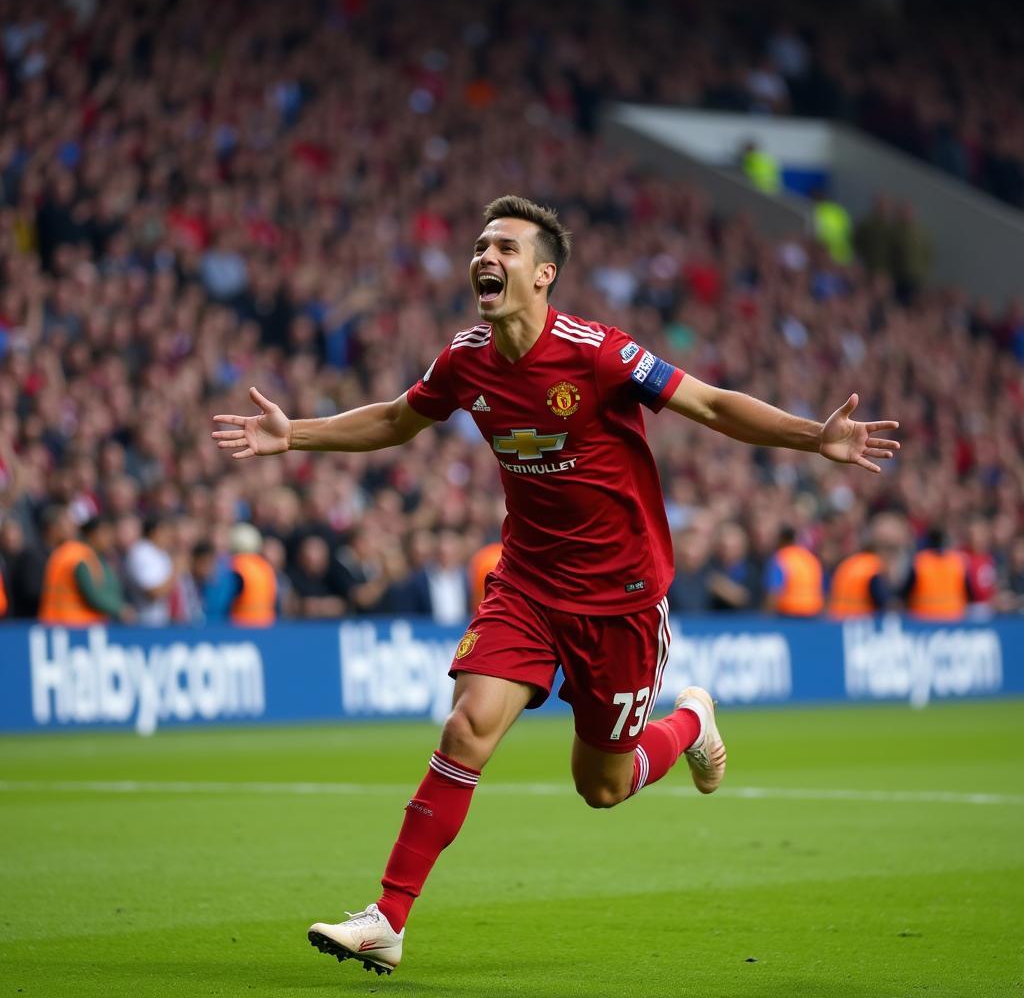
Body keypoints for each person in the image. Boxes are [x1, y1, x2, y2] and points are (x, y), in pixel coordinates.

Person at [212, 195, 899, 975]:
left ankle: (692, 721)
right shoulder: (465, 358)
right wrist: (293, 433)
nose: (485, 257)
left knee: (601, 787)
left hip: (622, 599)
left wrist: (815, 437)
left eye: (504, 247)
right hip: (529, 585)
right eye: (479, 246)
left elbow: (707, 403)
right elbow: (401, 420)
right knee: (466, 728)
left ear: (544, 276)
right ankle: (388, 918)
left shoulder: (599, 353)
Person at [764, 526, 825, 617]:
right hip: (813, 613)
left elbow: (774, 591)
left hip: (788, 613)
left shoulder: (781, 557)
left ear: (781, 539)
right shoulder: (810, 558)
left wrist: (767, 617)